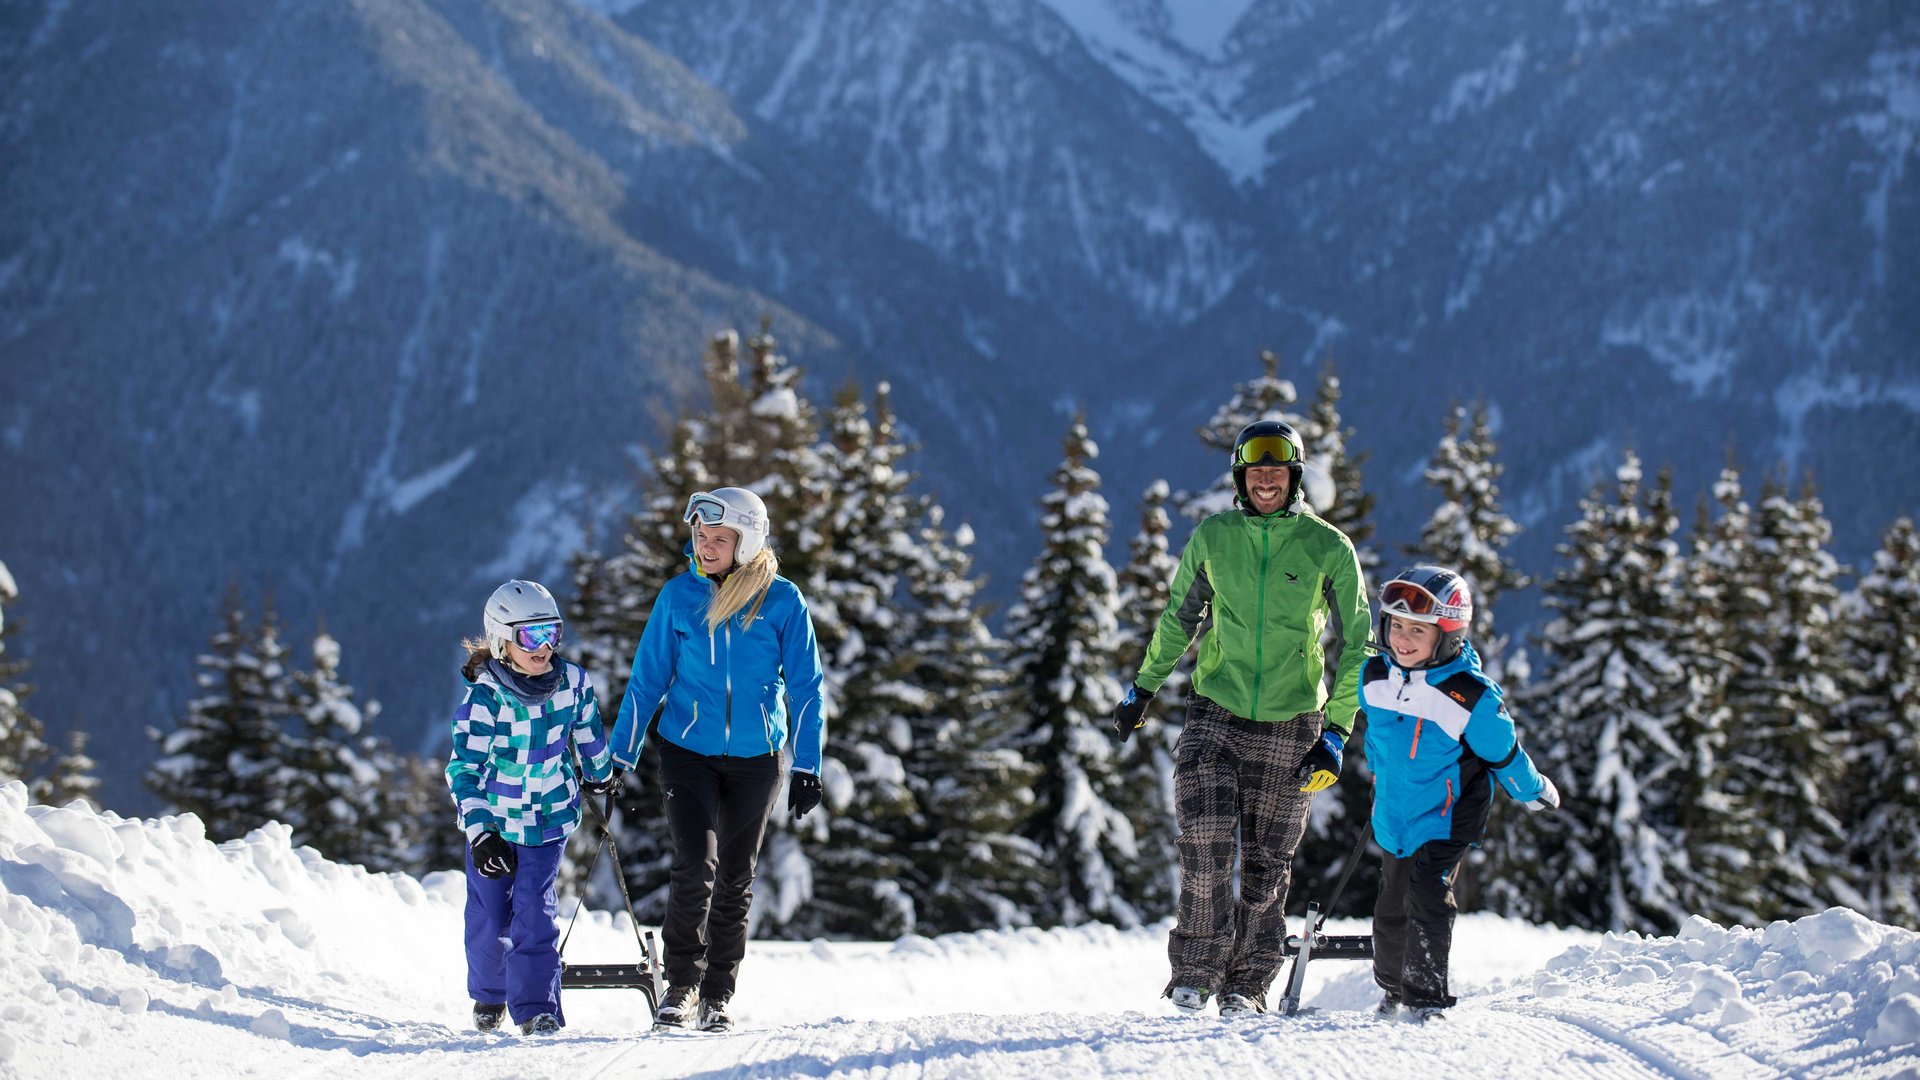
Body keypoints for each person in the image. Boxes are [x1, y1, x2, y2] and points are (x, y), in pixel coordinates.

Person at [1110, 419, 1369, 1017]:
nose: (1267, 481)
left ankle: (1248, 985)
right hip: (1216, 709)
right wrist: (1143, 687)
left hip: (1294, 720)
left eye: (1278, 470)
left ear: (1295, 477)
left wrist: (1336, 731)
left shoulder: (1327, 547)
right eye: (1257, 471)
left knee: (1265, 864)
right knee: (1204, 840)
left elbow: (1360, 643)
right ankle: (1194, 975)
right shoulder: (1213, 537)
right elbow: (1181, 617)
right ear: (1241, 478)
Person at [610, 486, 827, 1033]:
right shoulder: (678, 597)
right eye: (701, 536)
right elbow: (646, 680)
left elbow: (806, 688)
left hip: (757, 759)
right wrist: (619, 755)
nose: (705, 546)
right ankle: (680, 986)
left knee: (735, 874)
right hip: (687, 751)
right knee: (695, 866)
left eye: (719, 538)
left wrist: (807, 765)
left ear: (747, 542)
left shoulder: (782, 601)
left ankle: (718, 993)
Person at [1361, 565, 1559, 1023]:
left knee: (1426, 893)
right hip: (1394, 811)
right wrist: (1376, 776)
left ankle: (1425, 998)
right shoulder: (1373, 676)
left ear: (1448, 635)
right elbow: (1377, 738)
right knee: (1390, 906)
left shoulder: (1470, 696)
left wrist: (1533, 791)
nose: (1402, 639)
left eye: (1418, 630)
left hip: (1449, 812)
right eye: (1396, 625)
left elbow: (1505, 754)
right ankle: (1393, 988)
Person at [446, 579, 617, 1036]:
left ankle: (536, 1009)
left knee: (534, 910)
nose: (544, 648)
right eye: (530, 637)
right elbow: (462, 770)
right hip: (497, 825)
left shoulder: (573, 683)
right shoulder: (485, 697)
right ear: (502, 641)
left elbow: (587, 733)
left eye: (552, 634)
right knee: (489, 914)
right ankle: (488, 994)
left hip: (548, 819)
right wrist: (481, 832)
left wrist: (601, 773)